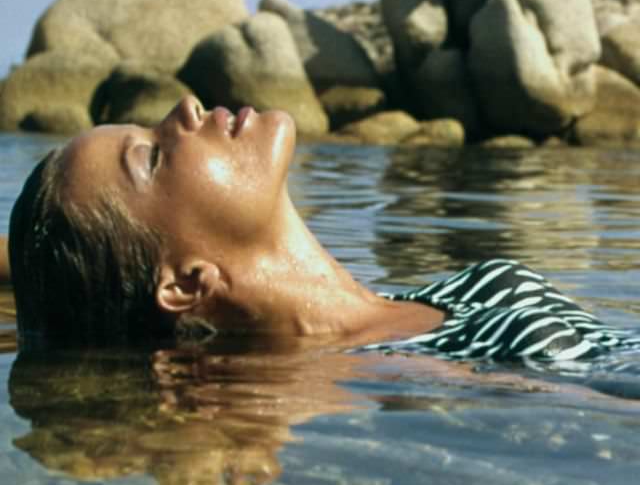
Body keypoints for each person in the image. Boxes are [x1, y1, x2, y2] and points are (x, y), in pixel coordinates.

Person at [7, 95, 640, 370]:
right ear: (186, 284)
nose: (183, 109)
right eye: (150, 157)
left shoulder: (413, 307)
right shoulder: (419, 375)